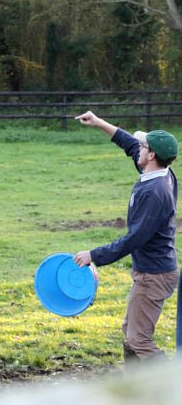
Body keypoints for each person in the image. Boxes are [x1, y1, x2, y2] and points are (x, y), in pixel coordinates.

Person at [73, 110, 179, 364]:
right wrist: (98, 123)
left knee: (138, 340)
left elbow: (134, 239)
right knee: (130, 333)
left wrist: (93, 255)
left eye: (143, 146)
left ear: (151, 155)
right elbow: (129, 143)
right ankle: (135, 385)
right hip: (152, 271)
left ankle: (172, 382)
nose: (138, 148)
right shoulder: (158, 172)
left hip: (153, 275)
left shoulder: (155, 193)